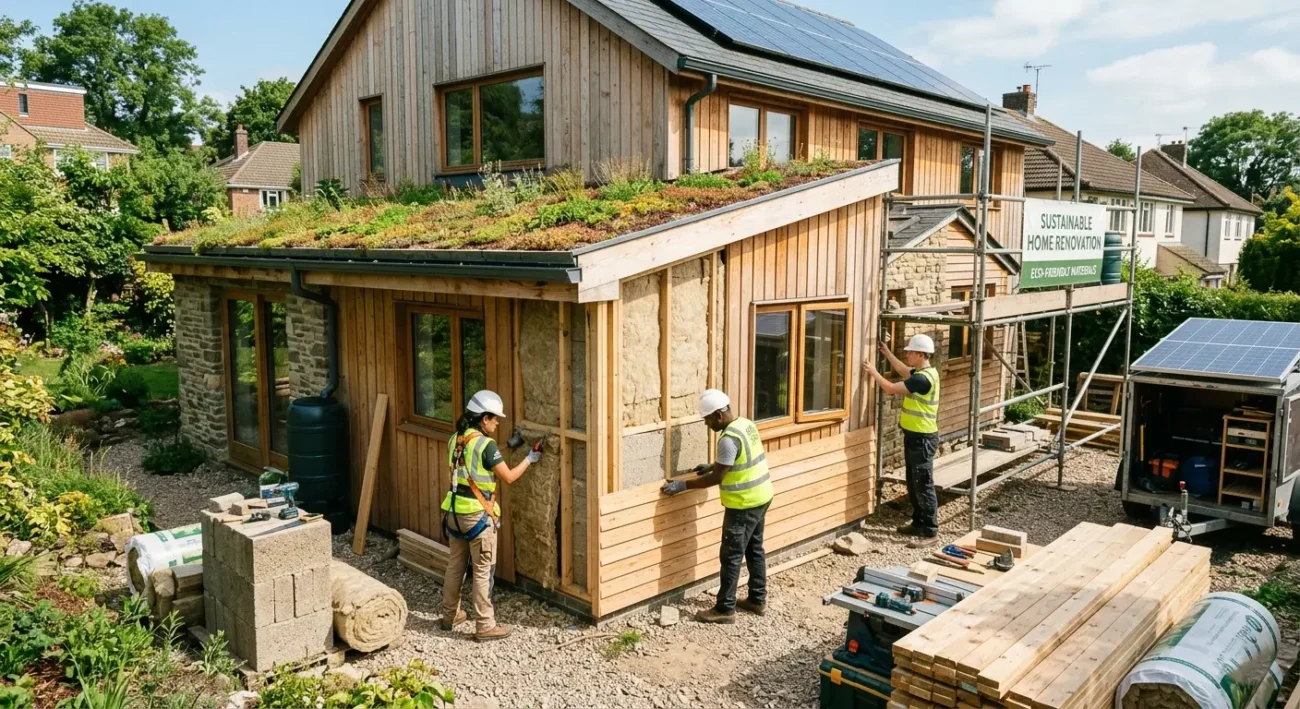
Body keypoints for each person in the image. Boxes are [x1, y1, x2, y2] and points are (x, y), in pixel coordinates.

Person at [660, 389, 773, 624]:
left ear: (720, 415)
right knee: (754, 549)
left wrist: (684, 485)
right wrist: (714, 465)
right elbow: (738, 459)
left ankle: (725, 609)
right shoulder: (745, 425)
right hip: (761, 496)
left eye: (708, 419)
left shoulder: (728, 439)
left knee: (731, 556)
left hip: (743, 504)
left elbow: (718, 479)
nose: (707, 423)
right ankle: (757, 599)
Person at [439, 389, 541, 642]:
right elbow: (507, 477)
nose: (498, 422)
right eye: (495, 418)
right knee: (483, 571)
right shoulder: (486, 444)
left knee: (455, 565)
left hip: (454, 513)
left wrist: (508, 445)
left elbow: (477, 459)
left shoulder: (456, 438)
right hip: (477, 517)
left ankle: (449, 615)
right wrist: (530, 458)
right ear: (484, 419)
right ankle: (484, 625)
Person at [863, 334, 941, 545]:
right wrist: (886, 352)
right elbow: (902, 371)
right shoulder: (924, 373)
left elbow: (890, 389)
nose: (906, 355)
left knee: (923, 484)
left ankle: (929, 530)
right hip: (915, 436)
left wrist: (873, 373)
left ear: (920, 354)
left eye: (909, 352)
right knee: (914, 483)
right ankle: (918, 523)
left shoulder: (922, 379)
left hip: (922, 438)